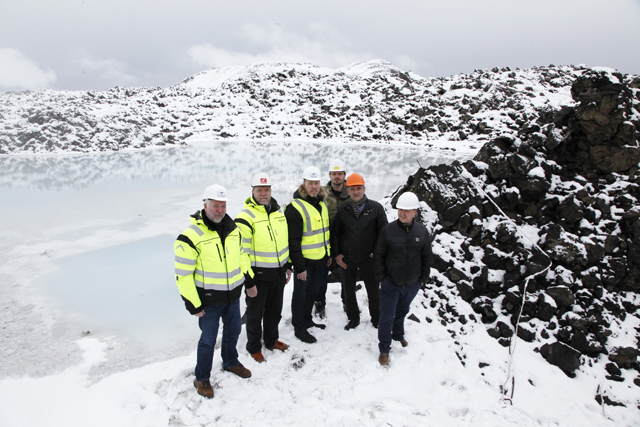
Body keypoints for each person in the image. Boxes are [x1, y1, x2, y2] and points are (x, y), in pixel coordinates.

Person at [174, 184, 255, 399]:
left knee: (234, 332)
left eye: (223, 206)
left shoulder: (233, 230)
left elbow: (241, 257)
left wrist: (249, 280)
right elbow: (183, 275)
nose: (219, 210)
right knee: (208, 340)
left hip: (233, 296)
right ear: (205, 205)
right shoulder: (190, 236)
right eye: (215, 206)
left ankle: (230, 362)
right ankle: (202, 377)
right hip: (208, 301)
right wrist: (193, 303)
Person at [235, 172, 291, 363]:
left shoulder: (277, 212)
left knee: (274, 311)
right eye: (259, 190)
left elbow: (284, 242)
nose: (263, 193)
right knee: (254, 314)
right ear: (253, 191)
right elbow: (241, 253)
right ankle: (253, 347)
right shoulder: (245, 217)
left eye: (266, 189)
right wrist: (249, 281)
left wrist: (287, 266)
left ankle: (271, 340)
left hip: (278, 274)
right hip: (257, 277)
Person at [373, 191, 432, 367]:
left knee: (402, 311)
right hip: (391, 283)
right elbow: (378, 255)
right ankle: (384, 349)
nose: (402, 213)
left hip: (413, 283)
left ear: (415, 212)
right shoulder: (388, 230)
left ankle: (398, 335)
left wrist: (422, 279)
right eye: (400, 209)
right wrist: (382, 278)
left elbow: (427, 256)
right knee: (386, 316)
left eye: (407, 210)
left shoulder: (422, 231)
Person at [331, 173, 388, 330]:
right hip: (347, 257)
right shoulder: (343, 209)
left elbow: (384, 233)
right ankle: (353, 318)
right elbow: (335, 233)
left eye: (359, 188)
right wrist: (337, 254)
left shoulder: (376, 208)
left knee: (374, 291)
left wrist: (376, 253)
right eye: (352, 189)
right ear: (348, 191)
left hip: (368, 257)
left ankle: (376, 319)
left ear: (364, 188)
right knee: (349, 291)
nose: (356, 192)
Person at [285, 166, 332, 343]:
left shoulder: (322, 203)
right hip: (304, 262)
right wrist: (299, 266)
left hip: (320, 259)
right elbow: (293, 240)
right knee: (300, 295)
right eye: (310, 183)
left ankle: (307, 320)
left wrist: (328, 254)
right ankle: (299, 328)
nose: (314, 187)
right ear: (303, 184)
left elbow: (324, 232)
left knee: (313, 293)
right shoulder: (294, 208)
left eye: (317, 183)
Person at [314, 159, 350, 318]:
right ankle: (319, 303)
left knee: (346, 272)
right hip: (325, 241)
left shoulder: (351, 191)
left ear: (344, 175)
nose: (337, 177)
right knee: (321, 275)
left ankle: (347, 301)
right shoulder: (321, 192)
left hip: (345, 241)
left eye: (340, 174)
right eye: (334, 174)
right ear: (329, 175)